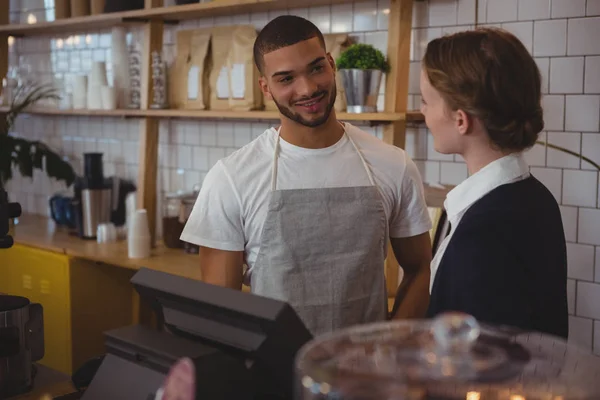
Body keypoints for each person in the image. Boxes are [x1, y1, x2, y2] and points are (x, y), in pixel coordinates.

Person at [180, 15, 433, 336]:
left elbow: (421, 269)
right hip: (273, 376)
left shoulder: (392, 164)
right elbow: (221, 309)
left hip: (366, 372)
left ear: (331, 63)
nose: (308, 88)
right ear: (266, 88)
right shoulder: (231, 178)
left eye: (316, 68)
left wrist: (390, 351)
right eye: (285, 79)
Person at [421, 28, 569, 338]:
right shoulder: (533, 195)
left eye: (426, 101)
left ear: (461, 120)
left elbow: (482, 369)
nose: (422, 112)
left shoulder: (485, 231)